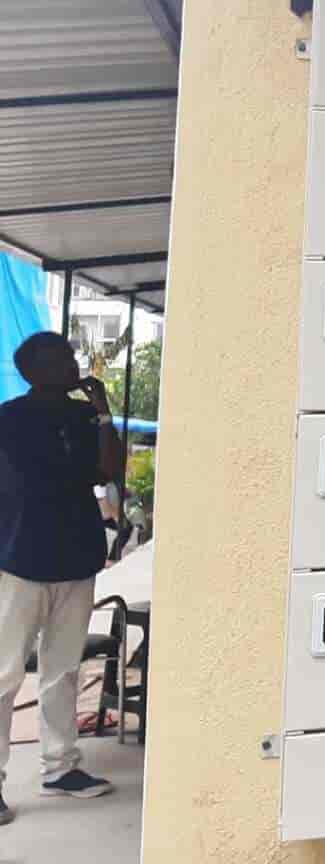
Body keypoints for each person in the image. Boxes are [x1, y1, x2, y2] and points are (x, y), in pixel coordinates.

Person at [0, 333, 124, 822]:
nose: (74, 365)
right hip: (20, 560)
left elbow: (110, 472)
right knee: (5, 673)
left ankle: (61, 768)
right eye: (63, 359)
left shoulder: (83, 416)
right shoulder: (8, 419)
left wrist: (104, 413)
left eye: (72, 357)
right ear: (35, 371)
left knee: (63, 669)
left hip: (76, 558)